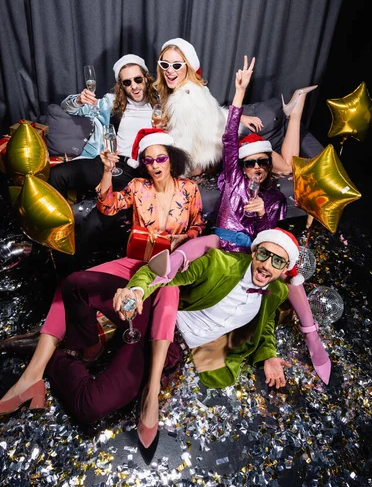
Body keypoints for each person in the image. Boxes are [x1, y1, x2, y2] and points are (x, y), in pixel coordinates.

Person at [147, 56, 330, 387]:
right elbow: (230, 136)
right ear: (242, 165)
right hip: (221, 240)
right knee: (200, 245)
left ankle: (312, 337)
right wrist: (239, 92)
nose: (256, 167)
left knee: (287, 280)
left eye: (262, 162)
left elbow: (267, 242)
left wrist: (262, 217)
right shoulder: (232, 177)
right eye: (251, 162)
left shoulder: (274, 199)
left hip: (246, 256)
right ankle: (161, 277)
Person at [0, 129, 205, 417]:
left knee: (167, 306)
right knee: (69, 286)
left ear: (171, 159)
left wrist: (185, 238)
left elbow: (198, 224)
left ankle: (152, 391)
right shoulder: (137, 186)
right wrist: (107, 171)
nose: (155, 165)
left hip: (167, 267)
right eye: (148, 160)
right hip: (135, 260)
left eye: (160, 158)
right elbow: (107, 206)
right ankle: (32, 376)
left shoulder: (189, 189)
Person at [112, 227, 301, 448]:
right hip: (166, 326)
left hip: (195, 351)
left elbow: (266, 321)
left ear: (285, 269)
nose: (267, 265)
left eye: (278, 261)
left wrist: (269, 355)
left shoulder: (278, 291)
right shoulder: (219, 264)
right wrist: (137, 289)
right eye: (263, 255)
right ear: (253, 252)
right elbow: (165, 273)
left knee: (132, 387)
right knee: (115, 394)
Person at [48, 55, 161, 269]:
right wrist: (79, 100)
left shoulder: (162, 106)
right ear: (121, 85)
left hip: (137, 173)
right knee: (56, 175)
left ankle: (69, 272)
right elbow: (68, 107)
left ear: (147, 78)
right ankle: (53, 239)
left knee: (95, 222)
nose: (134, 87)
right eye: (127, 82)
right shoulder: (111, 103)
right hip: (108, 161)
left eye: (138, 80)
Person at [153, 37, 263, 176]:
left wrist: (174, 179)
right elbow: (212, 113)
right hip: (221, 149)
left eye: (176, 65)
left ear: (188, 66)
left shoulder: (184, 98)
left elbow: (182, 150)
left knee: (284, 166)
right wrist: (238, 117)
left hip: (225, 152)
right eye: (164, 64)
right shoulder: (195, 88)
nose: (169, 70)